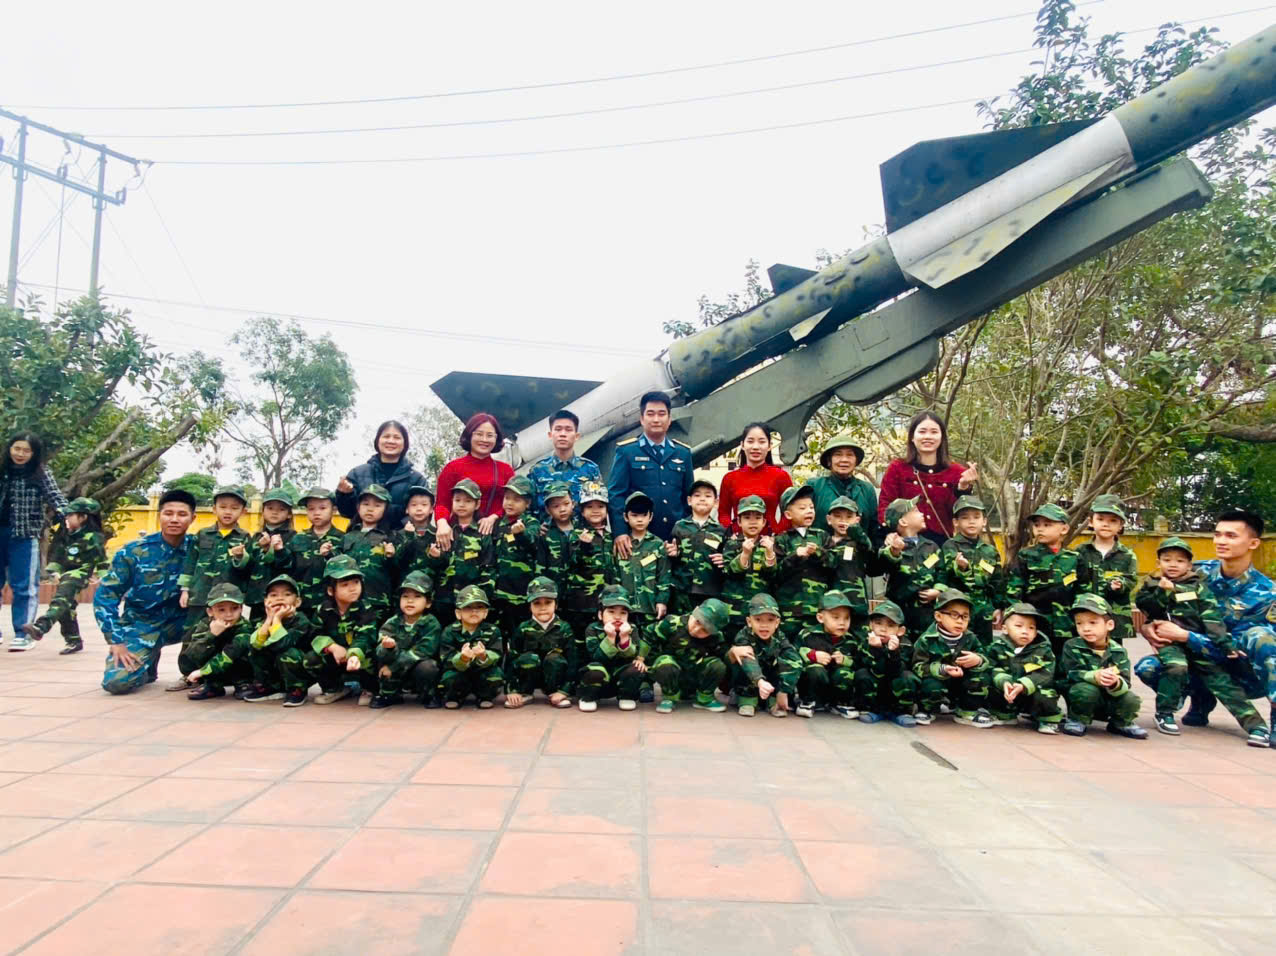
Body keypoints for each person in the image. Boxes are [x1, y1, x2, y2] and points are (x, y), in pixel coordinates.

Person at [1135, 510, 1276, 741]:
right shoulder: (1191, 571)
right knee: (1149, 668)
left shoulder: (1267, 592)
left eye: (1231, 536)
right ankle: (1201, 700)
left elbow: (1241, 647)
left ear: (1253, 543)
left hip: (1240, 671)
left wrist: (1185, 636)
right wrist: (1148, 627)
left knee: (1262, 637)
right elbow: (1158, 605)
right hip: (1193, 659)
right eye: (1217, 534)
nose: (1221, 541)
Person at [96, 489, 196, 695]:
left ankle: (198, 671)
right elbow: (106, 595)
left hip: (184, 622)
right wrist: (116, 640)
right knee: (117, 683)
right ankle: (148, 662)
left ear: (192, 518)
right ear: (159, 515)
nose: (174, 519)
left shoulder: (201, 549)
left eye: (182, 514)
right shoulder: (134, 551)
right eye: (168, 513)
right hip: (142, 623)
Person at [171, 484, 251, 691]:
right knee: (192, 635)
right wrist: (185, 589)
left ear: (243, 511)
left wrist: (240, 557)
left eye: (234, 508)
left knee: (226, 636)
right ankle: (187, 674)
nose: (228, 512)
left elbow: (246, 568)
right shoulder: (202, 534)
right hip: (200, 595)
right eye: (223, 507)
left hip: (227, 601)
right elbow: (190, 562)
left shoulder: (244, 537)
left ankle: (218, 676)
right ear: (214, 509)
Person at [278, 554, 380, 706]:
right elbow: (315, 633)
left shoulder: (365, 608)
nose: (353, 588)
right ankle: (334, 688)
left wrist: (354, 653)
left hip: (358, 655)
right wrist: (332, 646)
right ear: (331, 590)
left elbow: (365, 636)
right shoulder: (324, 609)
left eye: (356, 582)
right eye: (345, 584)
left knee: (374, 657)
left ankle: (370, 689)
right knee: (311, 659)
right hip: (336, 656)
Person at [1, 432, 70, 651]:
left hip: (24, 535)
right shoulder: (2, 470)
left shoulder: (40, 473)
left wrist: (68, 516)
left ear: (34, 453)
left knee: (24, 586)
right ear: (9, 449)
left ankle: (23, 633)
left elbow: (55, 496)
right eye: (17, 449)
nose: (20, 454)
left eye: (26, 450)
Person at [607, 391, 694, 555]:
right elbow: (616, 494)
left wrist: (686, 534)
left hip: (675, 539)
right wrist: (620, 532)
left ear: (669, 419)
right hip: (638, 539)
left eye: (661, 414)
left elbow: (689, 498)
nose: (656, 419)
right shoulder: (627, 451)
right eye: (650, 414)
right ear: (641, 419)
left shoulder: (683, 453)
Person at [877, 412, 977, 544]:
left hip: (942, 544)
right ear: (912, 437)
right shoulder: (897, 468)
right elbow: (885, 504)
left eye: (934, 432)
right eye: (922, 431)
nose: (928, 436)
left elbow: (962, 513)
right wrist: (890, 533)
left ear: (942, 437)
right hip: (905, 542)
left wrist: (963, 488)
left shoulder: (957, 472)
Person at [24, 497, 108, 655]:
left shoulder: (94, 537)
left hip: (80, 573)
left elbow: (102, 559)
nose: (67, 518)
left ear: (83, 517)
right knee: (66, 607)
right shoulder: (67, 534)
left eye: (71, 515)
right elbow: (58, 554)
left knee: (60, 599)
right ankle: (74, 640)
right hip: (65, 573)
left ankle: (41, 626)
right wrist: (54, 571)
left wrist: (105, 577)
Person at [1060, 595, 1147, 739]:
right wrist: (1094, 676)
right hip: (1084, 697)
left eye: (1093, 622)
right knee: (1085, 690)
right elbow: (1070, 674)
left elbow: (1126, 681)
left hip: (1109, 696)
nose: (1086, 628)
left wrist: (1115, 682)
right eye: (1079, 623)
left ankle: (1121, 723)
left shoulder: (1118, 651)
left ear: (1109, 625)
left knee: (1131, 699)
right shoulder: (1072, 646)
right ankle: (1078, 720)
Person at [1006, 503, 1084, 660]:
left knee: (1065, 664)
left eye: (1047, 525)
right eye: (1036, 525)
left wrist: (1082, 620)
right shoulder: (1026, 556)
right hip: (1035, 625)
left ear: (1064, 529)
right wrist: (1016, 619)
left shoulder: (1074, 558)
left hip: (1066, 625)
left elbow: (1083, 592)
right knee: (1035, 663)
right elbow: (1014, 589)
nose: (1040, 529)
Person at [911, 589, 994, 727]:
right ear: (938, 616)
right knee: (930, 685)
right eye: (954, 615)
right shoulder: (927, 639)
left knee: (981, 678)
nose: (960, 621)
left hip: (960, 682)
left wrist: (978, 660)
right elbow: (917, 666)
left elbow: (986, 658)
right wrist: (942, 669)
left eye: (965, 616)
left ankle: (967, 711)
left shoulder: (970, 638)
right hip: (938, 681)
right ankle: (926, 709)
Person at [433, 413, 515, 549]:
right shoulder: (452, 468)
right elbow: (442, 503)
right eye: (479, 434)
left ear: (496, 438)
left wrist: (494, 517)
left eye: (490, 435)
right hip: (462, 539)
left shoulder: (505, 470)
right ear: (469, 435)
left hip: (496, 538)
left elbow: (515, 502)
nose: (484, 439)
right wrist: (442, 524)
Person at [335, 420, 428, 531]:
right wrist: (344, 494)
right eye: (386, 436)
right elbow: (347, 512)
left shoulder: (417, 479)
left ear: (405, 444)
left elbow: (422, 513)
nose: (391, 441)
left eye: (397, 437)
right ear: (377, 441)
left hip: (401, 538)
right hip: (362, 537)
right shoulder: (357, 473)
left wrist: (398, 532)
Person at [986, 602, 1062, 734]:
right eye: (1018, 626)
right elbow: (992, 667)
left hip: (1031, 692)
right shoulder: (997, 647)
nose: (1025, 631)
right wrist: (1004, 681)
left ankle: (1047, 720)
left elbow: (1045, 674)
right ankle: (1004, 714)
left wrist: (1023, 685)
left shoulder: (1043, 649)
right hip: (1009, 692)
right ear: (1004, 629)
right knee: (988, 685)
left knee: (1046, 694)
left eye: (1031, 627)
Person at [937, 495, 1005, 643]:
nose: (971, 521)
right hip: (957, 611)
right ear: (956, 522)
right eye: (965, 517)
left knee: (983, 648)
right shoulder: (950, 546)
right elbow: (944, 575)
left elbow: (997, 581)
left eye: (976, 517)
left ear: (984, 521)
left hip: (984, 611)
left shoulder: (990, 551)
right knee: (957, 647)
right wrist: (960, 567)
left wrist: (998, 607)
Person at [371, 571, 442, 710]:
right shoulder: (392, 622)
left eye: (417, 596)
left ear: (428, 603)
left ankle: (428, 695)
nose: (410, 601)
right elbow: (379, 652)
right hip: (395, 671)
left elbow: (423, 651)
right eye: (405, 596)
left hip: (415, 668)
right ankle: (389, 695)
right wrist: (388, 648)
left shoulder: (432, 624)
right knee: (382, 660)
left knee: (429, 667)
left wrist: (393, 667)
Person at [647, 597, 731, 714]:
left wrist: (735, 650)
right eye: (697, 622)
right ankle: (669, 698)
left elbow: (724, 656)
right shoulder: (672, 623)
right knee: (664, 662)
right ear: (695, 610)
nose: (696, 630)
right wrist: (641, 658)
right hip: (672, 673)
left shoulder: (716, 637)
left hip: (694, 675)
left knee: (718, 665)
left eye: (705, 630)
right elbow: (649, 635)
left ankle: (704, 699)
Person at [1076, 494, 1138, 644]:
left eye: (1113, 521)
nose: (1106, 524)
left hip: (1114, 616)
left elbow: (1132, 579)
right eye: (1101, 519)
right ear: (1091, 522)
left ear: (1121, 526)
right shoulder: (1080, 552)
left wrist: (1121, 584)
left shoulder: (1127, 555)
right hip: (1086, 616)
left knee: (1113, 653)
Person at [577, 585, 650, 713]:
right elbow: (596, 657)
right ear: (600, 614)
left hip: (619, 676)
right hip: (597, 677)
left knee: (636, 668)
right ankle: (588, 698)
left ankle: (626, 696)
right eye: (611, 612)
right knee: (594, 670)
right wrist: (610, 638)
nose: (617, 617)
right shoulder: (592, 629)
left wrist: (624, 638)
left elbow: (632, 656)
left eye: (623, 613)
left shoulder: (631, 628)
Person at [726, 592, 800, 718]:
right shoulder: (743, 636)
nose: (764, 625)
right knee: (742, 659)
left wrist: (784, 691)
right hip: (751, 679)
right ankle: (747, 699)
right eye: (758, 619)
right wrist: (760, 681)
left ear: (777, 623)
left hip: (770, 681)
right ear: (749, 621)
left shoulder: (780, 637)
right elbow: (748, 661)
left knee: (782, 663)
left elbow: (794, 660)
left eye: (770, 620)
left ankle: (773, 700)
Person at [273, 487, 345, 615]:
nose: (316, 513)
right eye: (311, 509)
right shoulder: (298, 538)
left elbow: (345, 571)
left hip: (330, 605)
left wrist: (330, 555)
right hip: (301, 604)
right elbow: (286, 567)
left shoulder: (342, 538)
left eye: (322, 508)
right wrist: (279, 550)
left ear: (333, 510)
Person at [178, 582, 254, 700]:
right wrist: (211, 635)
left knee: (242, 653)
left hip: (238, 669)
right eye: (221, 610)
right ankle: (213, 685)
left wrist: (202, 672)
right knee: (204, 646)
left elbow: (230, 655)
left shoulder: (245, 627)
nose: (229, 615)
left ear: (241, 608)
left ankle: (243, 683)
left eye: (234, 608)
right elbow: (192, 655)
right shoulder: (204, 624)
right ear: (210, 612)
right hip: (214, 670)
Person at [506, 576, 574, 709]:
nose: (543, 608)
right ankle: (525, 693)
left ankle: (556, 693)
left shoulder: (564, 628)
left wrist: (565, 690)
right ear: (530, 606)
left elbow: (573, 661)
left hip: (554, 679)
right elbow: (511, 659)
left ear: (556, 605)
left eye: (548, 602)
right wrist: (512, 690)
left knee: (555, 658)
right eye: (537, 603)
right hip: (529, 677)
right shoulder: (523, 628)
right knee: (528, 658)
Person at [232, 487, 298, 622]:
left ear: (289, 514)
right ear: (263, 511)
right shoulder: (255, 537)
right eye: (270, 508)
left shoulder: (294, 537)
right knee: (256, 631)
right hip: (256, 598)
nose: (275, 512)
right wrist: (239, 557)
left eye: (281, 509)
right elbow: (248, 568)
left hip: (280, 599)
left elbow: (289, 566)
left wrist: (274, 550)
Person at [879, 496, 942, 638]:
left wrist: (938, 590)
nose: (922, 513)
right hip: (900, 615)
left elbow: (942, 572)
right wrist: (894, 551)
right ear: (903, 521)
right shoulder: (890, 547)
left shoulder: (931, 546)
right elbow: (885, 564)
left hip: (927, 615)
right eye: (915, 511)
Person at [773, 485, 831, 636]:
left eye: (811, 507)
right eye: (802, 508)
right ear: (788, 514)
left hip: (818, 608)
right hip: (790, 610)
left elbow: (834, 563)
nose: (809, 511)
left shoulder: (822, 536)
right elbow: (775, 573)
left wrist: (818, 552)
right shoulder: (782, 539)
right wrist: (795, 556)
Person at [336, 484, 400, 619]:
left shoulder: (391, 537)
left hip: (377, 601)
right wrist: (328, 554)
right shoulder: (348, 536)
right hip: (349, 601)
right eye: (366, 504)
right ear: (358, 507)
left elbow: (398, 570)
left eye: (377, 505)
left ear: (385, 510)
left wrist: (391, 557)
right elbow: (337, 568)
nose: (370, 509)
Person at [852, 599, 920, 726]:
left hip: (894, 686)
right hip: (876, 686)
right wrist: (876, 650)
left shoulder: (905, 645)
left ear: (900, 630)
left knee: (908, 677)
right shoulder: (865, 642)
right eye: (878, 623)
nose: (883, 629)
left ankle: (903, 712)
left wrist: (894, 652)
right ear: (871, 625)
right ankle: (871, 709)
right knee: (862, 674)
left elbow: (897, 671)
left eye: (890, 625)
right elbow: (873, 669)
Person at [794, 590, 860, 719]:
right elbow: (793, 653)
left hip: (835, 685)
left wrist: (845, 660)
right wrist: (812, 655)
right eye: (836, 617)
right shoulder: (808, 635)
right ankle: (807, 702)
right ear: (820, 618)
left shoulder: (850, 640)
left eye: (846, 618)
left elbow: (859, 662)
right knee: (815, 670)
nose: (842, 622)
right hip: (812, 684)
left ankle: (840, 703)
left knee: (845, 673)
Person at [716, 423, 793, 534]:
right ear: (742, 445)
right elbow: (723, 514)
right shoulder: (729, 478)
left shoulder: (781, 476)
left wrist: (776, 536)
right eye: (750, 441)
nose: (756, 447)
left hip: (770, 541)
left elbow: (790, 513)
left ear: (770, 445)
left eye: (761, 442)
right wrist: (731, 534)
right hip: (737, 540)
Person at [438, 585, 505, 709]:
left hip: (482, 671)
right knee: (449, 677)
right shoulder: (449, 631)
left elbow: (497, 654)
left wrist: (484, 656)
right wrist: (462, 658)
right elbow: (446, 659)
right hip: (459, 672)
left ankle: (484, 696)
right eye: (468, 608)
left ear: (485, 613)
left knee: (496, 674)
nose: (474, 612)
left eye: (479, 607)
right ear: (458, 613)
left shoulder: (492, 630)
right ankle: (455, 696)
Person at [488, 476, 541, 633]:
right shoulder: (498, 524)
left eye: (516, 499)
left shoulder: (530, 522)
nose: (510, 503)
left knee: (519, 632)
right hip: (499, 592)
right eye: (507, 498)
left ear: (527, 503)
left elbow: (533, 542)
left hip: (520, 592)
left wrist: (521, 534)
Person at [667, 479, 727, 615]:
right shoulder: (679, 527)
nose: (702, 499)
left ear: (716, 502)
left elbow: (726, 559)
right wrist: (673, 554)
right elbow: (671, 558)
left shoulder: (721, 531)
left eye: (708, 495)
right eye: (697, 495)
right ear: (689, 500)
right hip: (682, 589)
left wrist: (724, 559)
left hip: (709, 590)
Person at [612, 491, 671, 627]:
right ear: (625, 517)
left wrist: (662, 601)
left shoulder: (658, 545)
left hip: (650, 607)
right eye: (634, 515)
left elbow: (664, 577)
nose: (639, 519)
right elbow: (614, 576)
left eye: (644, 515)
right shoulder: (620, 544)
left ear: (651, 517)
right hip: (624, 609)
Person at [526, 409, 603, 513]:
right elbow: (529, 507)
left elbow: (600, 504)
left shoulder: (590, 469)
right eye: (558, 429)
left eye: (568, 429)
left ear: (576, 436)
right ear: (550, 435)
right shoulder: (537, 471)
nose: (563, 434)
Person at [808, 432, 879, 541]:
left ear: (856, 460)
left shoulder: (866, 489)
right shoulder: (815, 486)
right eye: (838, 454)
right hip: (821, 550)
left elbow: (874, 529)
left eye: (849, 455)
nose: (844, 459)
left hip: (860, 550)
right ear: (829, 461)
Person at [720, 495, 777, 624]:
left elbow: (772, 574)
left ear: (764, 522)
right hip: (734, 607)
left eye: (758, 518)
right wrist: (745, 554)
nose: (753, 522)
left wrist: (770, 553)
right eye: (747, 517)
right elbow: (728, 571)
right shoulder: (732, 544)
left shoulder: (768, 544)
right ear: (739, 522)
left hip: (760, 609)